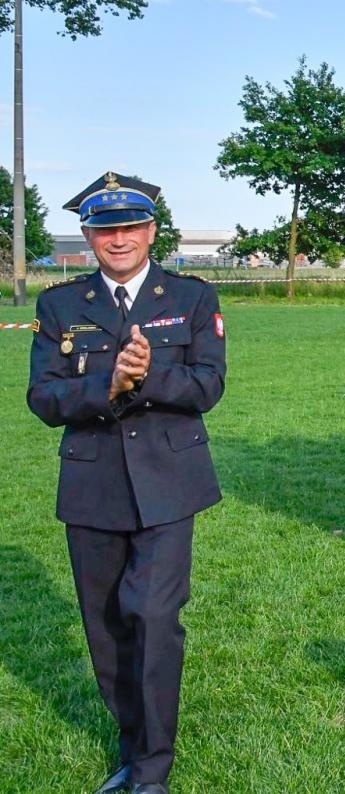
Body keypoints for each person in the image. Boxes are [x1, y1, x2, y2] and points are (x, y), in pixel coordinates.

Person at [29, 173, 226, 794]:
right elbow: (44, 396)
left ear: (151, 231)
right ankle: (133, 742)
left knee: (153, 614)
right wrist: (105, 386)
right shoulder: (59, 305)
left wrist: (143, 380)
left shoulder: (192, 297)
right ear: (87, 235)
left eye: (131, 226)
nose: (119, 239)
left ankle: (151, 771)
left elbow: (206, 386)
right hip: (92, 486)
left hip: (170, 484)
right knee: (107, 623)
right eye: (106, 228)